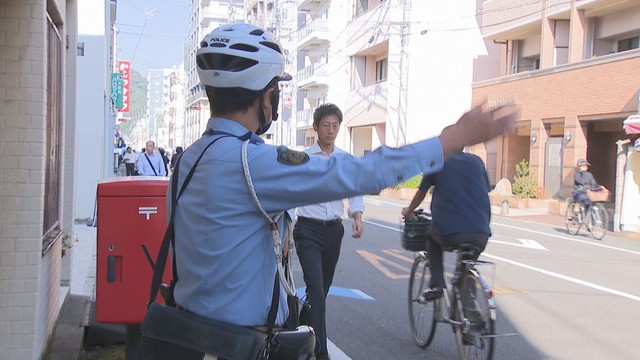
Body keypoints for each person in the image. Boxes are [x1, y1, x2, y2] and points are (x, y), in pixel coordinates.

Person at [168, 22, 517, 347]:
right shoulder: (253, 162)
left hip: (187, 335)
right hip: (240, 342)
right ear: (267, 96)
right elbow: (360, 173)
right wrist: (453, 138)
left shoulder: (187, 161)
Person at [292, 103, 364, 360]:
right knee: (316, 288)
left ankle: (301, 320)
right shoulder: (305, 159)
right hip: (308, 230)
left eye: (335, 125)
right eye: (326, 125)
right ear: (315, 128)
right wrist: (287, 227)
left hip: (334, 231)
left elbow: (355, 189)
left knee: (321, 291)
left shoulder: (345, 160)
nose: (331, 130)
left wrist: (357, 216)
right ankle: (320, 353)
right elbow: (291, 192)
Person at [402, 152, 492, 300]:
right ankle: (469, 308)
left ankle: (436, 284)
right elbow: (485, 188)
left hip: (450, 231)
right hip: (481, 232)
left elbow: (421, 192)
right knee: (466, 268)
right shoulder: (477, 161)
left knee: (431, 239)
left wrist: (409, 211)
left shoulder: (436, 160)